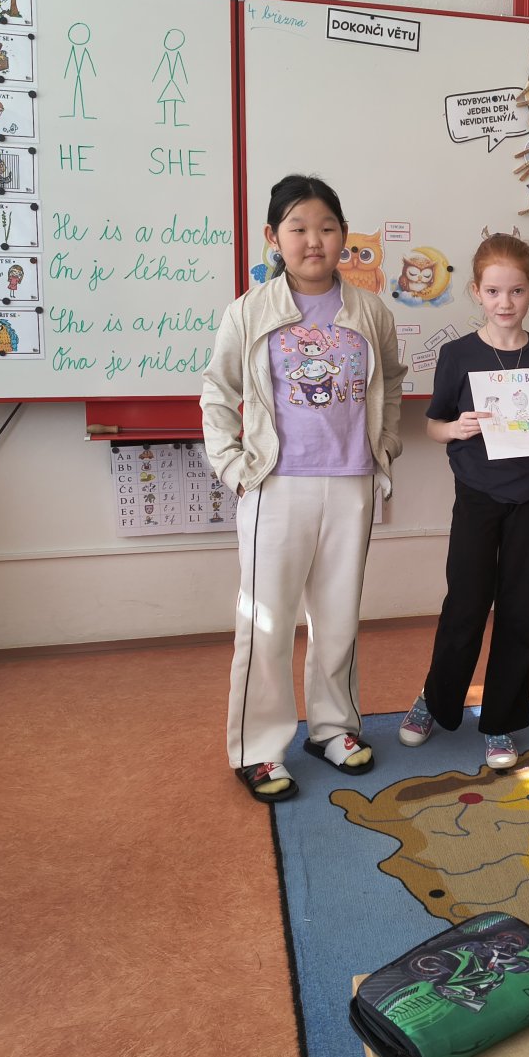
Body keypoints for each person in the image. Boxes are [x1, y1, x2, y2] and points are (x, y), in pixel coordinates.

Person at [201, 174, 406, 802]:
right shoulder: (249, 311)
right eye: (298, 228)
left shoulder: (369, 311)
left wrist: (384, 446)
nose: (313, 240)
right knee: (265, 623)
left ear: (343, 235)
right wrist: (233, 468)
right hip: (275, 485)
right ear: (274, 237)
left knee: (338, 618)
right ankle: (258, 750)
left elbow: (392, 382)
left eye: (326, 228)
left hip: (351, 483)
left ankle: (333, 728)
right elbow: (218, 392)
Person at [398, 233, 529, 769]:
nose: (505, 302)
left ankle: (500, 721)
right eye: (494, 291)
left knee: (518, 609)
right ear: (476, 291)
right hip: (476, 496)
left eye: (516, 291)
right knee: (466, 603)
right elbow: (433, 426)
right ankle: (436, 699)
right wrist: (456, 428)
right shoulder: (457, 355)